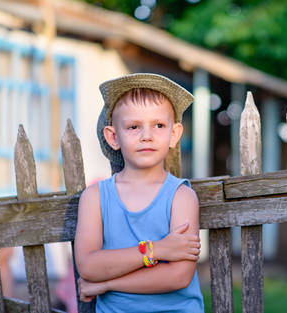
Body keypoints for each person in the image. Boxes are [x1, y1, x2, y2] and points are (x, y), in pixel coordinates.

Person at [74, 73, 204, 312]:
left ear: (174, 134)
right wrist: (158, 249)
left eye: (159, 125)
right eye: (134, 126)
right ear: (113, 137)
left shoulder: (181, 197)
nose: (147, 135)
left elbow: (178, 276)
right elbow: (88, 266)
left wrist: (106, 284)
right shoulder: (95, 198)